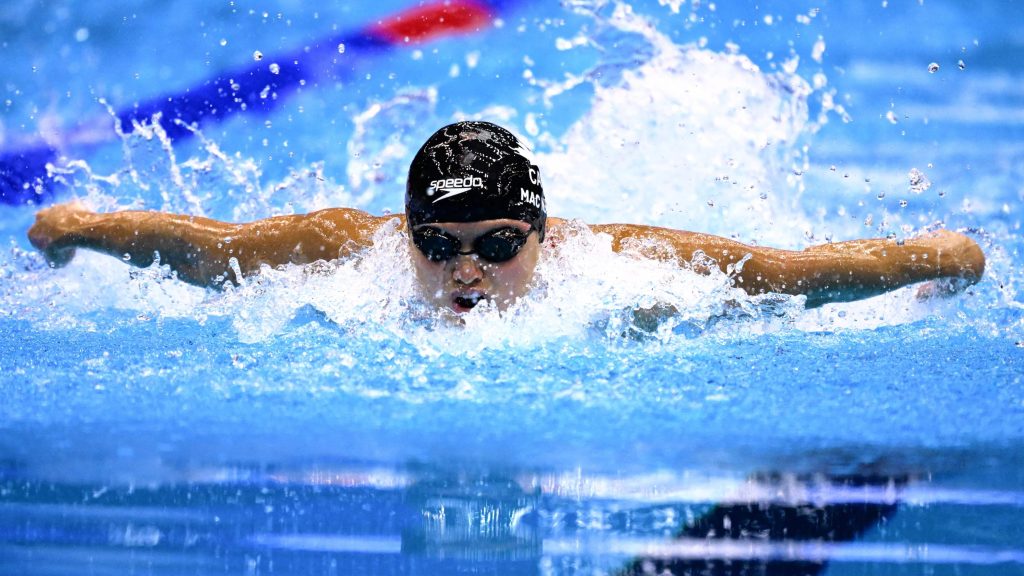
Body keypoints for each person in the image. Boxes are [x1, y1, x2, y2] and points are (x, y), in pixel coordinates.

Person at [27, 121, 985, 313]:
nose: (465, 272)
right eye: (437, 245)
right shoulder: (345, 249)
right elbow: (209, 253)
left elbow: (785, 274)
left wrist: (925, 254)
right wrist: (83, 229)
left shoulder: (615, 267)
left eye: (495, 246)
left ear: (540, 233)